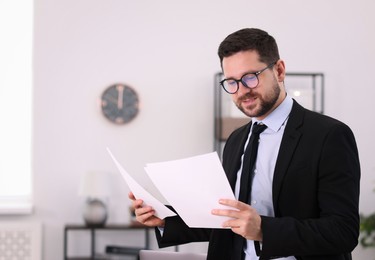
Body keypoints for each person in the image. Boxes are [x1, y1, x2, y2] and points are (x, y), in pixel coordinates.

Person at [129, 28, 360, 260]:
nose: (242, 91)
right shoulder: (236, 140)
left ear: (279, 70)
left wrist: (263, 230)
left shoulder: (329, 135)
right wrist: (165, 220)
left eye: (251, 77)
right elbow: (225, 219)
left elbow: (343, 231)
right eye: (232, 82)